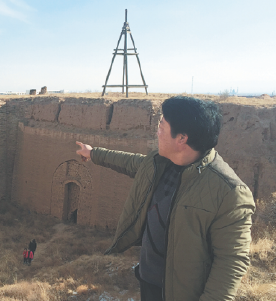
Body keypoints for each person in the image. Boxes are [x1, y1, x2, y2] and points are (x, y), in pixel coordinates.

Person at [76, 96, 255, 301]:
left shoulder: (228, 192)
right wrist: (93, 153)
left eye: (161, 126)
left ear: (182, 139)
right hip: (148, 280)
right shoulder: (160, 162)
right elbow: (131, 162)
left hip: (182, 293)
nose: (157, 132)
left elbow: (231, 261)